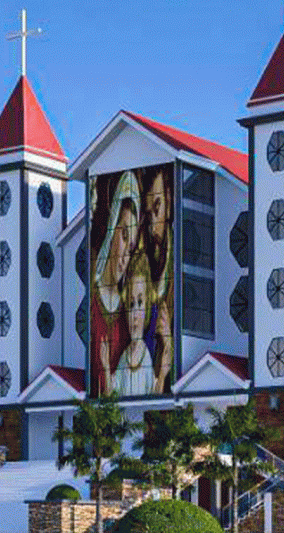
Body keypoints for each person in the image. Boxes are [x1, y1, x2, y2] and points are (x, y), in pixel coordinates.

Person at [91, 171, 141, 395]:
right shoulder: (91, 298)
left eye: (131, 248)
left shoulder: (126, 311)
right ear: (111, 228)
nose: (124, 257)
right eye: (123, 235)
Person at [141, 165, 174, 393]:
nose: (153, 223)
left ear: (170, 201)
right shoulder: (142, 266)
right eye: (148, 214)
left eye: (158, 207)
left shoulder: (176, 269)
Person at [112, 250, 155, 396]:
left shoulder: (147, 359)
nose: (134, 314)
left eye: (140, 303)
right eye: (131, 304)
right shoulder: (123, 358)